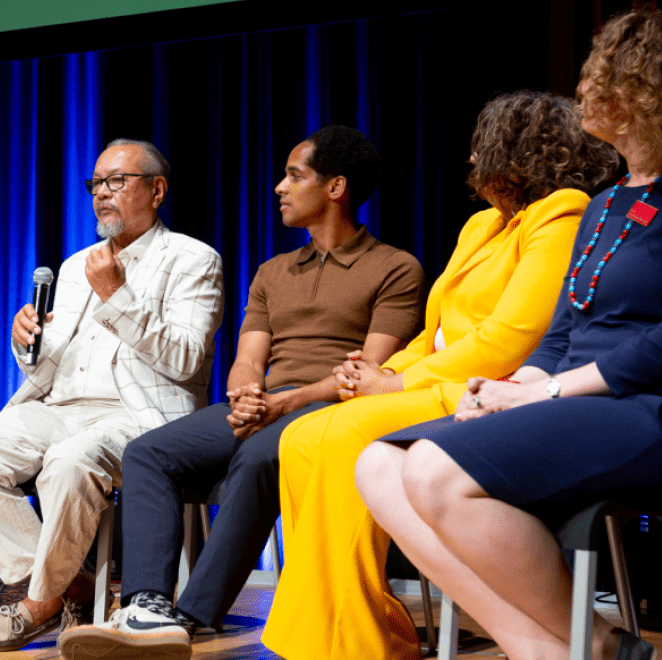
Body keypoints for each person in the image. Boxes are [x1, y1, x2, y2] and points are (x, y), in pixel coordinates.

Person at [356, 11, 662, 660]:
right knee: (379, 463)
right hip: (593, 402)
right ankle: (561, 647)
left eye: (600, 72)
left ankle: (567, 649)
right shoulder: (604, 205)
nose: (583, 87)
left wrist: (539, 398)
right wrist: (505, 387)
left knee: (434, 468)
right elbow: (565, 336)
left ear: (644, 89)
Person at [262, 93, 620, 660]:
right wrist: (379, 371)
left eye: (483, 146)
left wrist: (398, 386)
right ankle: (346, 625)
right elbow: (434, 333)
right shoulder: (483, 225)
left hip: (493, 389)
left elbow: (511, 338)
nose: (473, 160)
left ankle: (352, 642)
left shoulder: (562, 213)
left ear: (515, 151)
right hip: (433, 378)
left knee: (341, 435)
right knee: (304, 436)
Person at [57, 125, 425, 660]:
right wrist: (248, 393)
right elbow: (248, 357)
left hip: (334, 408)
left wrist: (283, 402)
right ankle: (146, 605)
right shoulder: (274, 271)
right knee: (149, 452)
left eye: (294, 176)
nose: (279, 186)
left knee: (254, 459)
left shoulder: (394, 267)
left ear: (335, 187)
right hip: (267, 405)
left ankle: (193, 614)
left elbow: (364, 371)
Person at [0, 138, 224, 652]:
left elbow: (184, 358)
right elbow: (52, 364)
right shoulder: (75, 266)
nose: (102, 194)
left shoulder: (193, 259)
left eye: (118, 181)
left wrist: (117, 296)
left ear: (157, 190)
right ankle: (74, 587)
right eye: (96, 184)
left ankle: (39, 604)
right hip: (59, 407)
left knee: (68, 462)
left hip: (141, 416)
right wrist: (26, 342)